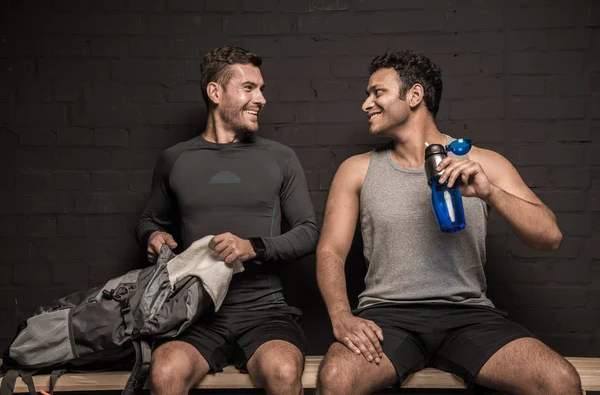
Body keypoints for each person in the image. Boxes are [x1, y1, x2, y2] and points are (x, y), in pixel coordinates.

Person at [315, 50, 581, 394]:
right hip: (388, 318)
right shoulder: (357, 169)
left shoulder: (484, 162)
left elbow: (551, 236)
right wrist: (341, 317)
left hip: (469, 317)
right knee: (336, 378)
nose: (366, 104)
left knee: (560, 381)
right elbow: (331, 251)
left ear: (414, 96)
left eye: (377, 92)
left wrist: (490, 193)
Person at [135, 46, 319, 395]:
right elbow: (148, 220)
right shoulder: (175, 159)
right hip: (196, 312)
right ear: (215, 92)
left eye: (261, 88)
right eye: (249, 88)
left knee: (282, 370)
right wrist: (153, 236)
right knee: (164, 372)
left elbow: (308, 233)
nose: (261, 98)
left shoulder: (280, 158)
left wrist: (253, 247)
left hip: (265, 311)